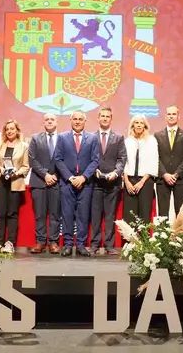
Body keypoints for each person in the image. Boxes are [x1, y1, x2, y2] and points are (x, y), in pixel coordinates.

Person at [54, 111, 100, 257]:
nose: (78, 121)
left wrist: (84, 177)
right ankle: (67, 244)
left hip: (86, 183)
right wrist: (70, 178)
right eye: (75, 119)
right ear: (70, 120)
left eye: (80, 119)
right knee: (67, 214)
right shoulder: (62, 137)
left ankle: (80, 244)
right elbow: (58, 159)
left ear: (85, 121)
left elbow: (95, 160)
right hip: (67, 183)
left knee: (83, 215)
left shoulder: (92, 138)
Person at [0, 119, 29, 254]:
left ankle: (10, 243)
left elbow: (26, 167)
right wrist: (1, 169)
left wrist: (17, 172)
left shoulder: (24, 146)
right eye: (7, 129)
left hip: (15, 182)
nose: (10, 131)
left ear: (17, 131)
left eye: (12, 129)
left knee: (12, 214)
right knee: (0, 213)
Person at [89, 106, 127, 255]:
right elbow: (89, 158)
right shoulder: (91, 137)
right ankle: (95, 244)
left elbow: (122, 159)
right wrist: (93, 169)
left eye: (107, 116)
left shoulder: (118, 138)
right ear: (98, 118)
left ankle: (109, 245)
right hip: (96, 181)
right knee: (96, 214)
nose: (105, 118)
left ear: (111, 119)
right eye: (102, 116)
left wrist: (116, 173)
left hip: (113, 183)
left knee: (110, 214)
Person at [28, 113, 61, 254]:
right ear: (44, 122)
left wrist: (56, 175)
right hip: (39, 181)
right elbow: (32, 160)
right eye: (47, 119)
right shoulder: (35, 138)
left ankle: (53, 242)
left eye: (52, 119)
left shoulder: (63, 139)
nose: (49, 121)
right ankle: (40, 242)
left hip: (57, 181)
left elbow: (67, 160)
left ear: (56, 122)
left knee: (55, 214)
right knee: (40, 214)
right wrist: (45, 175)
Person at [155, 105, 183, 217]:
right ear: (165, 117)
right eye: (169, 114)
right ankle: (162, 234)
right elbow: (155, 157)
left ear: (178, 116)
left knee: (181, 212)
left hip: (180, 180)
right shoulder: (157, 135)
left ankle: (180, 235)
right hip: (162, 180)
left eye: (174, 114)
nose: (171, 116)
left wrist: (176, 175)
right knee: (163, 213)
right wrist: (165, 174)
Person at [122, 114, 158, 225]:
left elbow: (154, 162)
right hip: (129, 181)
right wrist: (126, 181)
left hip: (146, 181)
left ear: (145, 125)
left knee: (144, 214)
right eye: (136, 122)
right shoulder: (127, 141)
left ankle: (144, 242)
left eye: (141, 123)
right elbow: (123, 162)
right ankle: (130, 241)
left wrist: (141, 182)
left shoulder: (151, 140)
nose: (138, 125)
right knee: (129, 215)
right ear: (132, 125)